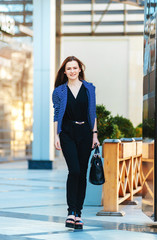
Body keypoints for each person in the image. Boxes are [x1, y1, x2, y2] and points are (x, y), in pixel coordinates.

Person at [52, 56, 99, 229]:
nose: (72, 71)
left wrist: (95, 135)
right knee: (74, 170)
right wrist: (56, 136)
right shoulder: (59, 91)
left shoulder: (89, 88)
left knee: (83, 171)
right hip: (67, 133)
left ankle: (78, 213)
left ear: (80, 69)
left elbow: (92, 112)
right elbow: (57, 114)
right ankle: (70, 211)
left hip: (86, 132)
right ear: (65, 72)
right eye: (68, 68)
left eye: (74, 68)